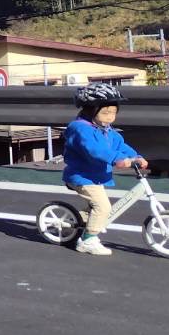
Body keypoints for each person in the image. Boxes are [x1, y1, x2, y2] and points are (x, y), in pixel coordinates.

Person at [63, 83, 147, 256]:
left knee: (96, 208)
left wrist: (136, 156)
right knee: (103, 207)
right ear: (90, 110)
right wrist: (118, 160)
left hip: (95, 175)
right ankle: (87, 241)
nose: (110, 117)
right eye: (105, 112)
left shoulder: (106, 129)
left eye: (113, 113)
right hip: (81, 176)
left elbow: (120, 145)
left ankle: (76, 222)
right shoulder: (80, 129)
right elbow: (94, 150)